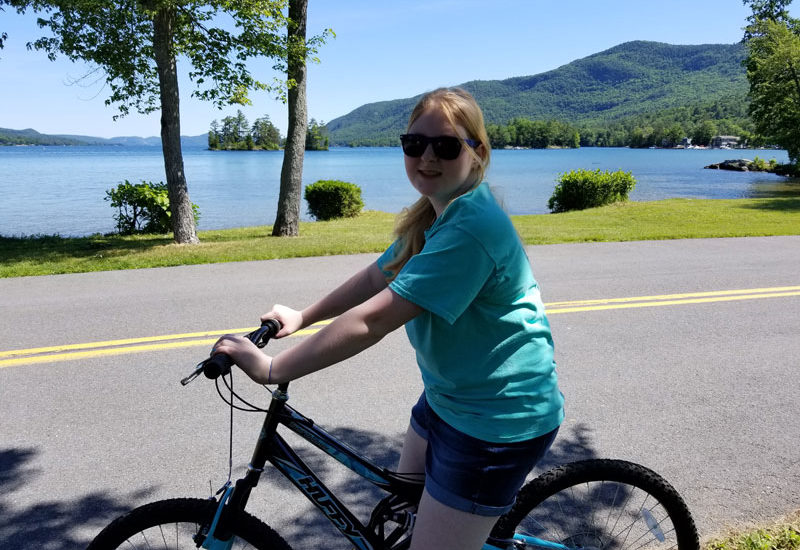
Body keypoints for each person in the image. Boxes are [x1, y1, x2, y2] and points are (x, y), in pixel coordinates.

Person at [213, 87, 565, 550]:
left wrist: (274, 369)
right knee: (402, 513)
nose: (427, 156)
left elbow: (372, 321)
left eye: (446, 145)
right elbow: (376, 277)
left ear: (477, 154)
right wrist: (302, 316)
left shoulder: (471, 229)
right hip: (447, 399)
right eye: (414, 143)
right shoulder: (432, 216)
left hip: (494, 422)